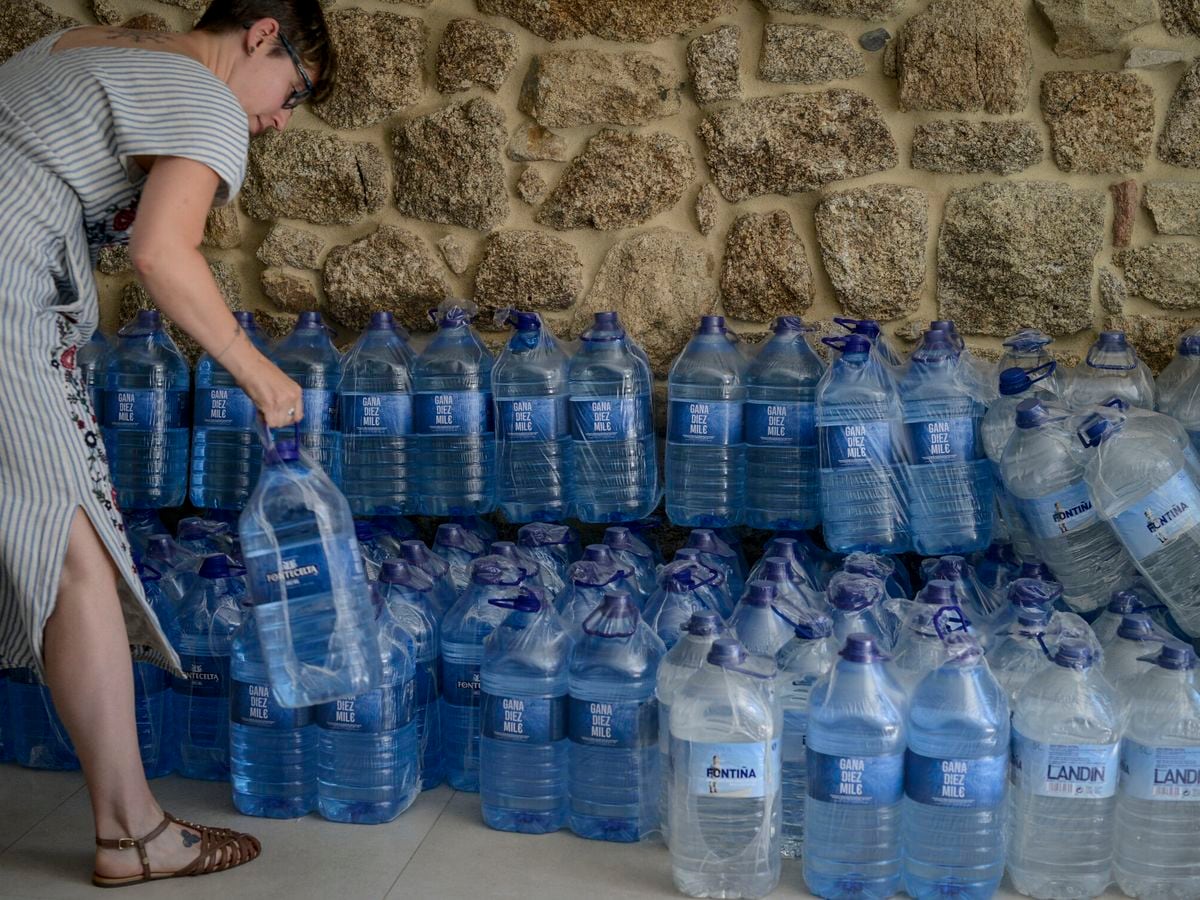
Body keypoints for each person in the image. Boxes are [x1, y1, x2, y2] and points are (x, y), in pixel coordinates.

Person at [0, 0, 335, 888]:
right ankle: (132, 833)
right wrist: (253, 369)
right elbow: (160, 252)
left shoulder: (79, 47)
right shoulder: (206, 97)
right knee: (75, 549)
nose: (279, 117)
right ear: (263, 32)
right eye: (295, 90)